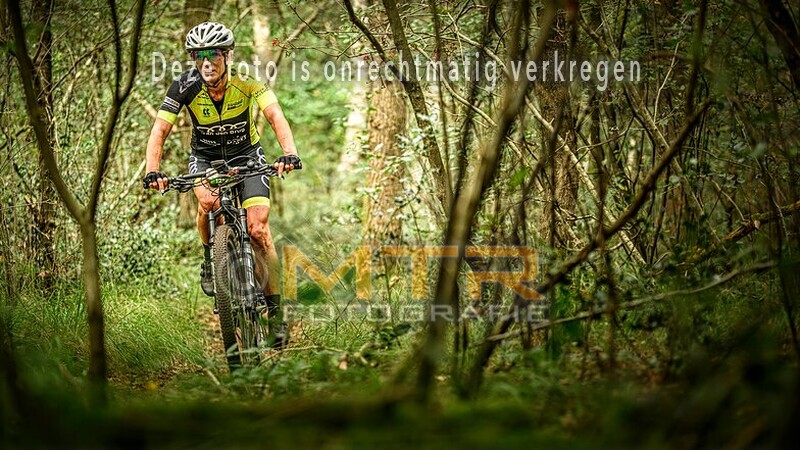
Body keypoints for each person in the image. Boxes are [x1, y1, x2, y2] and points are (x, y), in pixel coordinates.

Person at [143, 21, 299, 346]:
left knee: (258, 229)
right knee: (208, 203)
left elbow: (275, 115)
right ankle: (210, 258)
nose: (206, 63)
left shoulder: (247, 81)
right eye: (198, 56)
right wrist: (153, 170)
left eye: (213, 54)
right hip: (205, 159)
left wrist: (289, 153)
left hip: (248, 157)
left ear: (228, 55)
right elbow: (160, 130)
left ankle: (276, 313)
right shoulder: (184, 85)